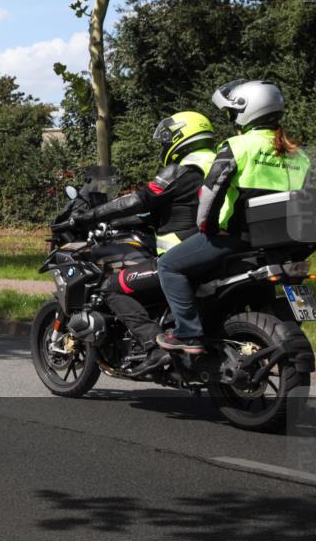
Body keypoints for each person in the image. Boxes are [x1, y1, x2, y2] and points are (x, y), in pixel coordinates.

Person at [156, 80, 310, 353]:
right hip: (280, 243)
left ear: (246, 111)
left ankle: (187, 334)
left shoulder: (237, 146)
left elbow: (211, 192)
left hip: (238, 237)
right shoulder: (298, 154)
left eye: (230, 113)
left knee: (169, 266)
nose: (230, 118)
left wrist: (209, 227)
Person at [72, 112, 217, 375]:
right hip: (215, 251)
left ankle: (153, 345)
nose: (164, 147)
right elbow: (175, 208)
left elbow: (139, 200)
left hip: (180, 256)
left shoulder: (184, 170)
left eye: (166, 140)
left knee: (111, 286)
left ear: (179, 137)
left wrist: (88, 216)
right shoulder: (219, 163)